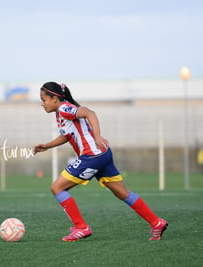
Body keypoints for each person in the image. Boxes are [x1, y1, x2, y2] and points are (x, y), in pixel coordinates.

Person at [33, 81, 168, 241]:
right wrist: (47, 146)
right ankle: (156, 222)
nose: (42, 104)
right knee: (122, 192)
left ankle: (81, 227)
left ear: (55, 98)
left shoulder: (64, 108)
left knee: (57, 187)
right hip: (103, 155)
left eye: (44, 99)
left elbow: (90, 113)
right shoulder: (61, 112)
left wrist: (97, 136)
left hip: (92, 156)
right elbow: (67, 135)